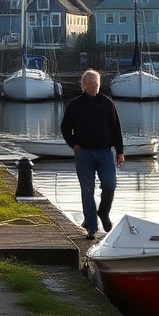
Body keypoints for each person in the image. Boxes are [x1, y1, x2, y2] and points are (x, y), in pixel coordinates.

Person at [59, 69, 125, 240]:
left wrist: (120, 151)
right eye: (91, 84)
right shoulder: (75, 105)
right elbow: (65, 127)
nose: (95, 87)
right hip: (84, 153)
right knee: (87, 190)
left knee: (110, 185)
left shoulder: (107, 103)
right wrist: (73, 143)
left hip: (105, 152)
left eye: (97, 84)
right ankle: (91, 226)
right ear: (84, 85)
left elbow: (116, 128)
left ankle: (103, 211)